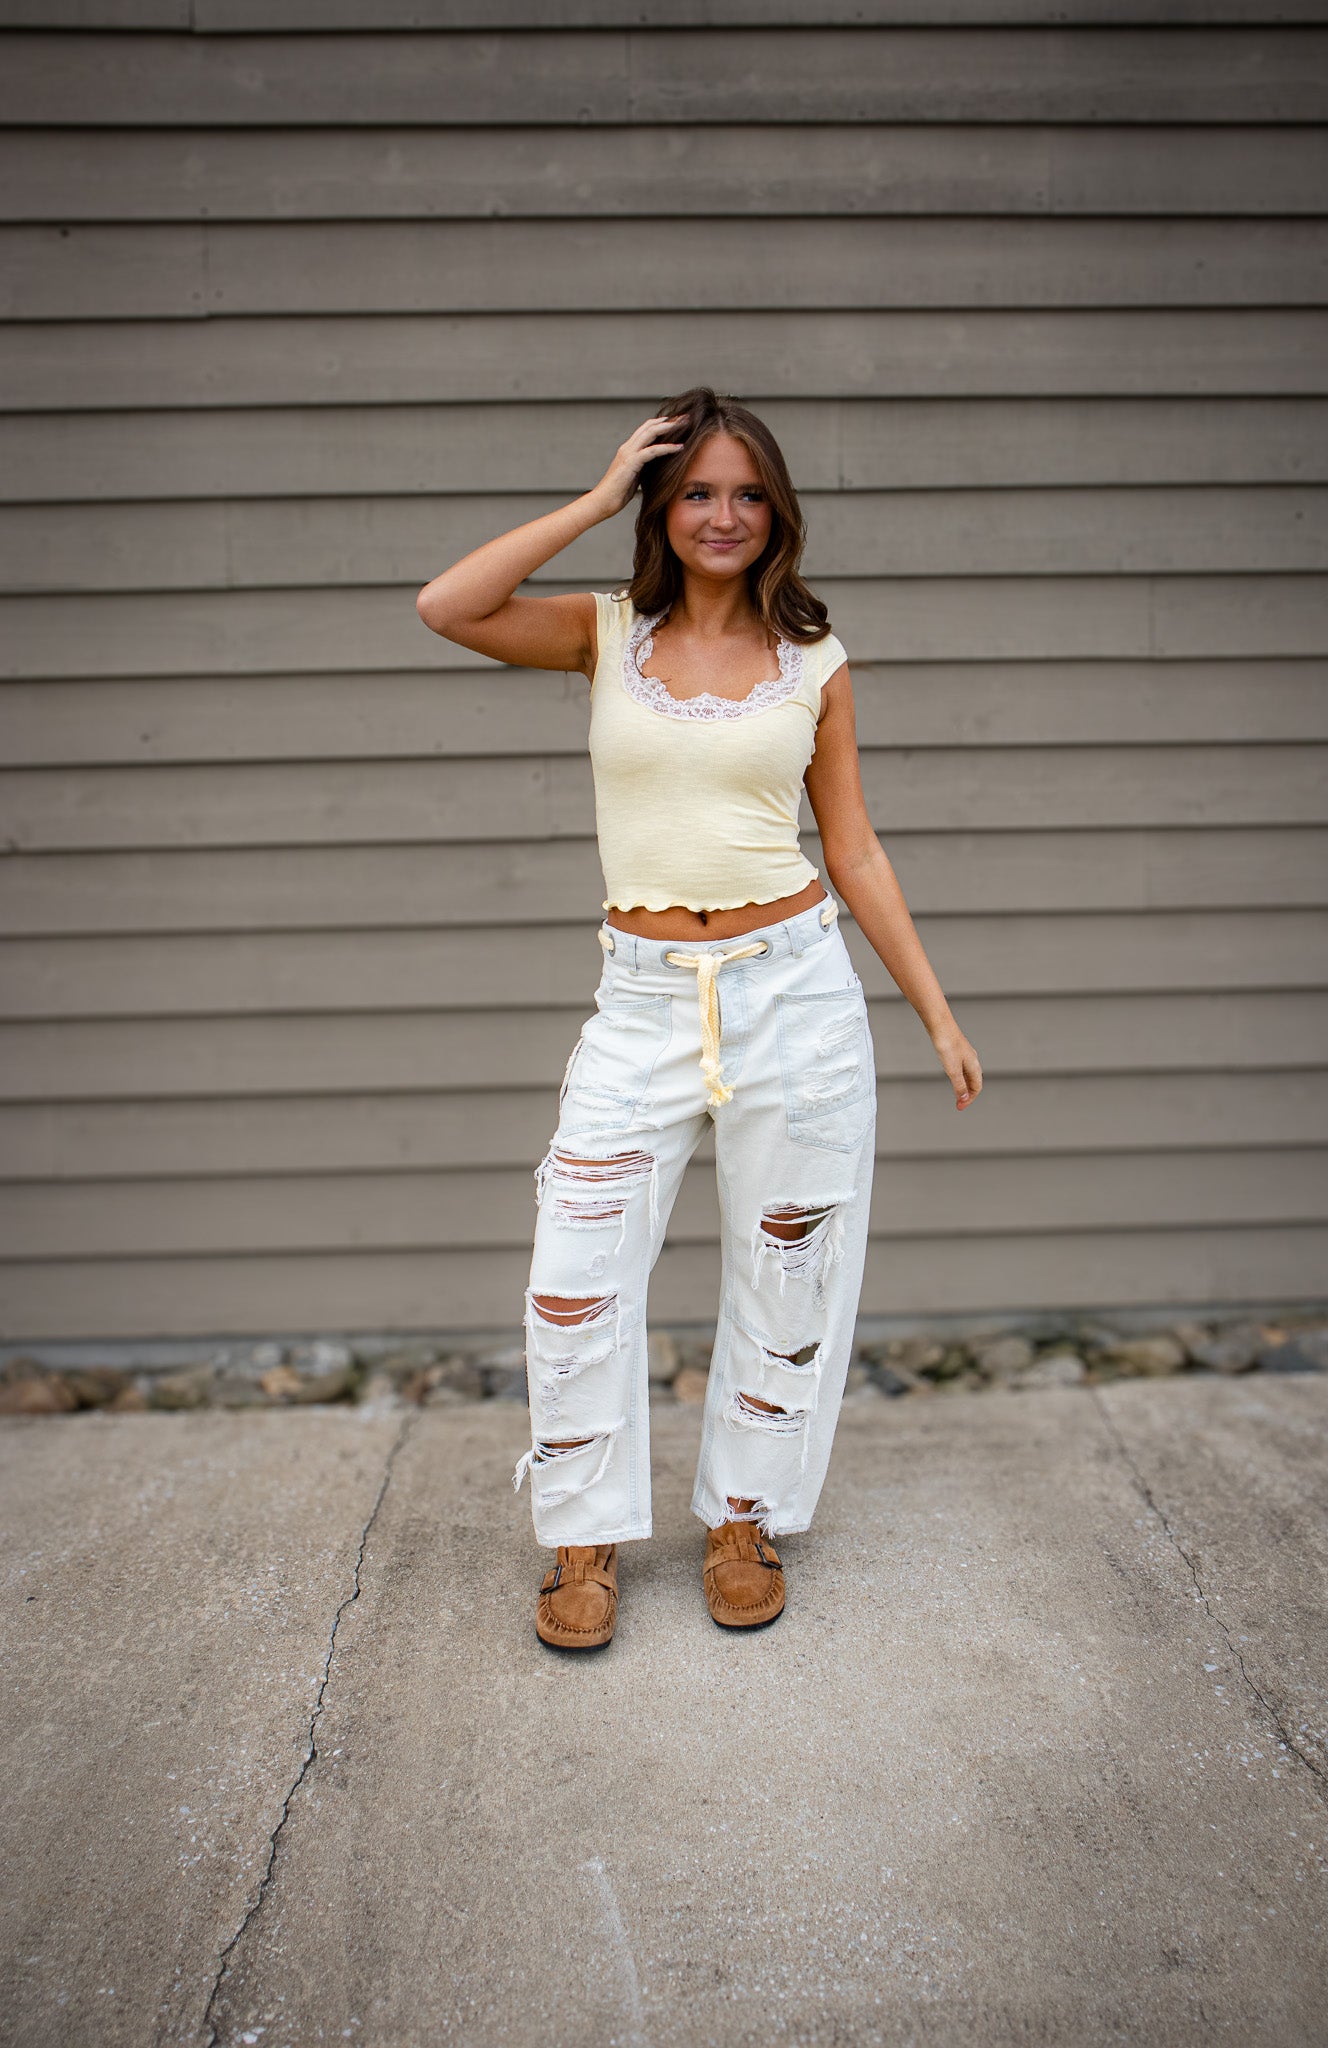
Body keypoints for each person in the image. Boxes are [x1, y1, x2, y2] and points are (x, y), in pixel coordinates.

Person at [416, 385, 983, 1652]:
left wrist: (935, 1013)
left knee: (791, 1267)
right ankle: (582, 1536)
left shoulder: (816, 666)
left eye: (744, 492)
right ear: (661, 509)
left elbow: (856, 849)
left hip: (798, 989)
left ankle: (744, 1513)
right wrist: (597, 491)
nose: (721, 514)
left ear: (776, 511)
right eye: (693, 492)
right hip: (643, 999)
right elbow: (446, 606)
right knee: (577, 1269)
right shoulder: (604, 632)